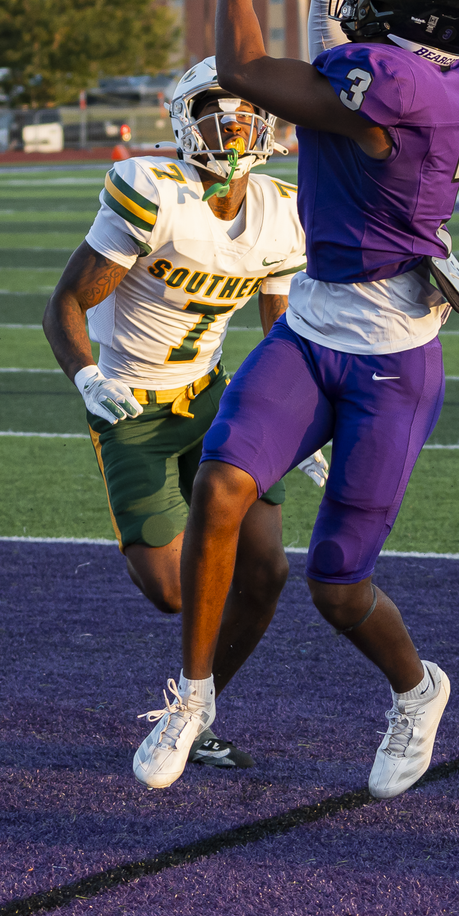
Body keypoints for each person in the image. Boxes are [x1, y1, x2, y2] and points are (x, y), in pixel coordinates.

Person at [134, 0, 459, 799]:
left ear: (408, 24)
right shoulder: (435, 68)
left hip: (392, 358)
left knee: (337, 587)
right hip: (319, 319)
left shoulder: (397, 86)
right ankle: (195, 696)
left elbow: (246, 72)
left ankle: (418, 690)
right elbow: (364, 51)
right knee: (220, 487)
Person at [45, 59, 317, 772]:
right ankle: (191, 694)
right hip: (130, 402)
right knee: (171, 590)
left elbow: (280, 329)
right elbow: (64, 303)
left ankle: (193, 711)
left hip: (216, 396)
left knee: (267, 573)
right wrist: (87, 377)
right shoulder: (153, 191)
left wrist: (301, 415)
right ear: (182, 120)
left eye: (244, 110)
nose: (233, 124)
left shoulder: (282, 211)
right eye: (215, 111)